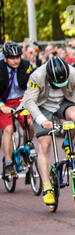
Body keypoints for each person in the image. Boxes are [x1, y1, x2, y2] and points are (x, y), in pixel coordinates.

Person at [20, 56, 75, 206]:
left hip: (63, 103)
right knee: (45, 144)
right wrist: (42, 120)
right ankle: (47, 186)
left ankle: (67, 143)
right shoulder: (37, 76)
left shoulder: (73, 72)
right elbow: (30, 101)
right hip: (42, 107)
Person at [0, 42, 34, 176]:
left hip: (21, 100)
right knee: (8, 130)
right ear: (5, 58)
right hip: (3, 101)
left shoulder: (26, 65)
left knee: (30, 124)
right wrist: (2, 106)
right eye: (12, 58)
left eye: (18, 57)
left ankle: (25, 149)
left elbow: (33, 84)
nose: (16, 60)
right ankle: (8, 162)